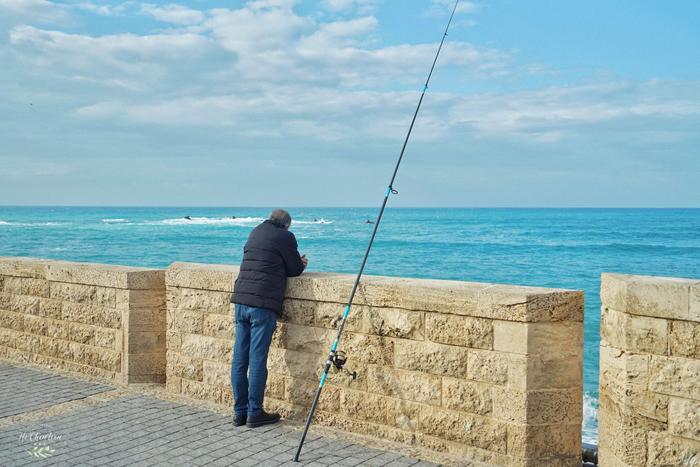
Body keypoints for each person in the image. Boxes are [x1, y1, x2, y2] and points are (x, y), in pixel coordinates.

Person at [230, 209, 308, 428]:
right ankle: (255, 412)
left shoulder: (255, 231)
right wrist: (302, 263)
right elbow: (293, 269)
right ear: (286, 225)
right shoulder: (285, 236)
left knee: (239, 359)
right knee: (257, 359)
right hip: (262, 305)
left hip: (241, 300)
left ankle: (239, 412)